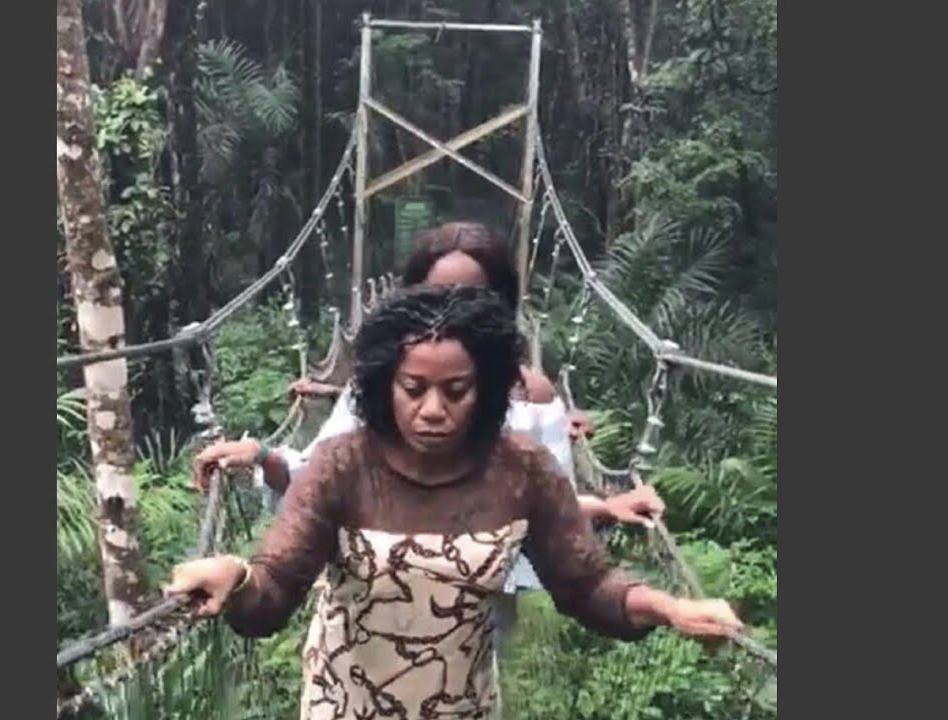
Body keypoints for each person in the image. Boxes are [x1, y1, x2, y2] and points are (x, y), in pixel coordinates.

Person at [165, 286, 742, 720]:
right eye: (413, 389)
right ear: (385, 386)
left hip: (464, 706)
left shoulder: (522, 470)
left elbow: (587, 585)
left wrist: (670, 609)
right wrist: (237, 577)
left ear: (486, 390)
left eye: (456, 390)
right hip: (343, 704)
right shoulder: (343, 464)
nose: (433, 410)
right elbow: (275, 588)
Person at [194, 221, 662, 531]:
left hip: (479, 607)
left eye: (470, 298)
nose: (451, 314)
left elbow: (552, 504)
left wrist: (608, 508)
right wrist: (262, 456)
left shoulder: (529, 397)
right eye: (436, 298)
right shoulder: (377, 384)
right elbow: (316, 474)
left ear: (500, 304)